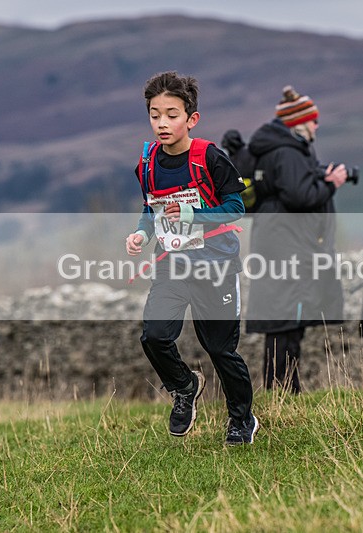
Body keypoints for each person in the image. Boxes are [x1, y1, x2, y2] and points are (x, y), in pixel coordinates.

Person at [125, 71, 259, 445]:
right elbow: (150, 209)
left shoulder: (209, 157)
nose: (162, 123)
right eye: (155, 115)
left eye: (171, 114)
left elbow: (236, 208)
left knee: (219, 348)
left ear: (191, 119)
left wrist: (190, 215)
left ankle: (241, 419)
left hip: (215, 265)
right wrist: (140, 233)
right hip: (172, 263)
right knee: (154, 336)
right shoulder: (148, 162)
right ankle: (184, 387)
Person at [245, 85, 347, 394]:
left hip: (276, 239)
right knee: (287, 321)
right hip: (287, 244)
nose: (317, 125)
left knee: (284, 319)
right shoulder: (288, 152)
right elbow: (299, 196)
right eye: (313, 120)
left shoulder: (275, 148)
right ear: (300, 122)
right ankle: (284, 390)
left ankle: (283, 388)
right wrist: (332, 184)